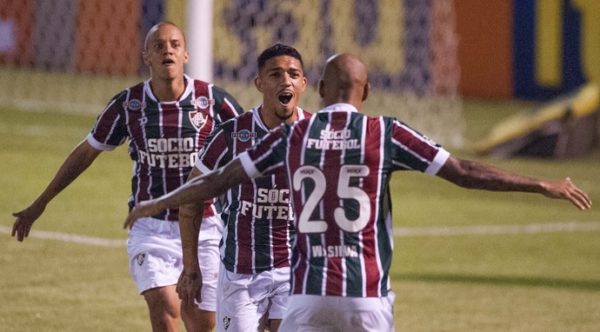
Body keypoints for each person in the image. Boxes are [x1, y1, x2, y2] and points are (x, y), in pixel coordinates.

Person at [123, 53, 592, 331]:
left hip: (305, 295)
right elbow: (466, 172)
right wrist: (541, 183)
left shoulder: (292, 136)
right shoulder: (384, 133)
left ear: (319, 88)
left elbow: (216, 181)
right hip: (366, 295)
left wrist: (157, 202)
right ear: (365, 90)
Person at [12, 22, 244, 332]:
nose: (168, 51)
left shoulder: (213, 101)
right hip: (151, 226)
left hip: (206, 225)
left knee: (202, 323)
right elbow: (86, 152)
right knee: (165, 306)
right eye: (159, 46)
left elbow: (252, 146)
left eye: (175, 44)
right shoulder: (128, 105)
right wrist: (41, 203)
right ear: (146, 56)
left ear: (186, 53)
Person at [175, 43, 310, 332]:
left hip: (297, 271)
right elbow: (190, 198)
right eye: (275, 74)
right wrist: (190, 267)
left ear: (303, 83)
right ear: (259, 83)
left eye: (293, 74)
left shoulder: (318, 134)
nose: (285, 81)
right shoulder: (231, 135)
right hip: (241, 273)